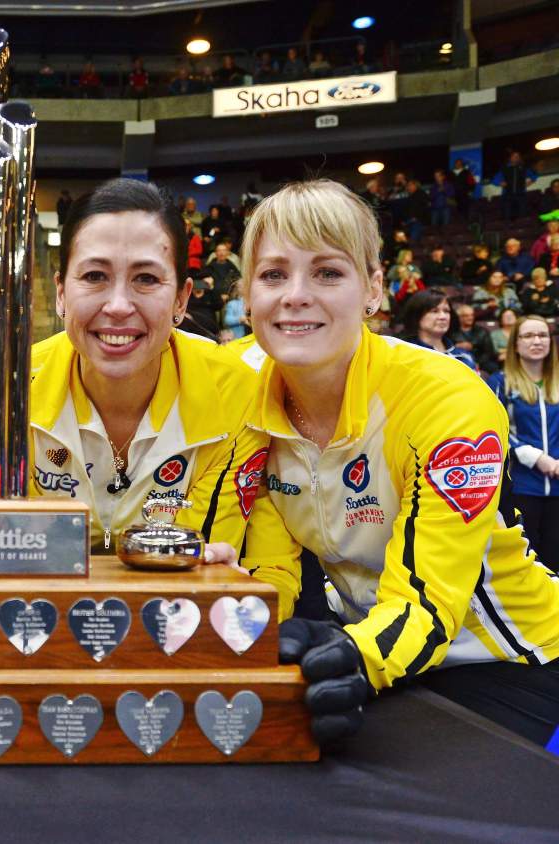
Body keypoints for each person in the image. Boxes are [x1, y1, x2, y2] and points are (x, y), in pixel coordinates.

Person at [239, 179, 559, 746]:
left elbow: (429, 601)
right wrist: (253, 638)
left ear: (374, 289)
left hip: (503, 653)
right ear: (246, 294)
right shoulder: (236, 389)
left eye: (328, 273)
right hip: (370, 637)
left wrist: (354, 658)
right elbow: (271, 565)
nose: (295, 294)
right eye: (272, 274)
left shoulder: (444, 396)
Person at [28, 178, 267, 559]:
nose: (119, 305)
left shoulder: (236, 392)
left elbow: (205, 567)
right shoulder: (12, 391)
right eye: (94, 276)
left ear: (181, 299)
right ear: (60, 293)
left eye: (146, 279)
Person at [488, 316, 559, 573]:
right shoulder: (499, 382)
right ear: (515, 344)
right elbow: (493, 430)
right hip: (522, 486)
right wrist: (536, 457)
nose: (537, 341)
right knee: (531, 563)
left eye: (542, 335)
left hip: (558, 489)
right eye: (528, 336)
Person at [400, 289, 477, 370]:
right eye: (434, 311)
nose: (443, 317)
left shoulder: (464, 356)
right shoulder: (405, 355)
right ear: (416, 316)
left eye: (446, 311)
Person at [452, 303, 499, 374]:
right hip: (459, 361)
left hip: (481, 362)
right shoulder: (452, 332)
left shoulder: (482, 331)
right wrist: (456, 346)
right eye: (466, 316)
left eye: (472, 315)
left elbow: (489, 352)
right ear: (459, 317)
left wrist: (477, 362)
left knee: (494, 367)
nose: (470, 318)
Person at [493, 151, 536, 220]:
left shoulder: (524, 168)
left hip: (521, 195)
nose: (516, 158)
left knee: (522, 215)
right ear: (510, 158)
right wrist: (500, 183)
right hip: (507, 196)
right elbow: (494, 180)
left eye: (517, 156)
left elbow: (534, 176)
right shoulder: (504, 169)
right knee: (508, 216)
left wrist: (531, 182)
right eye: (514, 156)